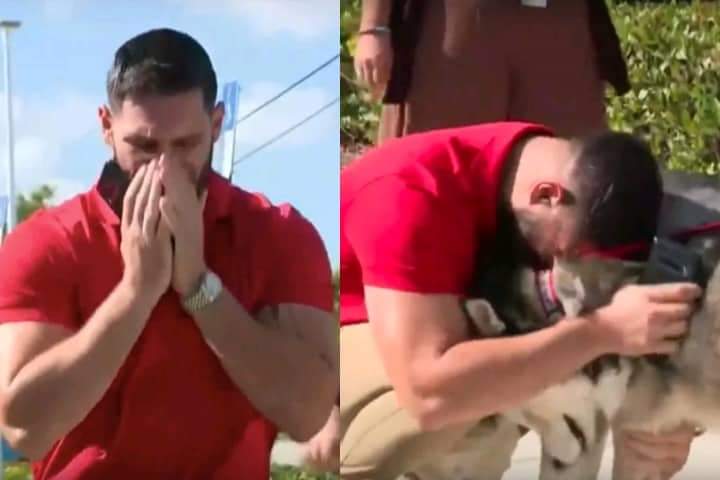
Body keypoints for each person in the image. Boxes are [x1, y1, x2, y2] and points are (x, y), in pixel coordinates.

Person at [0, 28, 338, 480]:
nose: (163, 168)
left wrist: (200, 288)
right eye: (143, 147)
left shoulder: (277, 235)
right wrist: (136, 292)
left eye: (185, 145)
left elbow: (310, 412)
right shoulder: (50, 241)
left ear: (216, 126)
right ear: (106, 127)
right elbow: (24, 428)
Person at [338, 122, 700, 479]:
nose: (560, 275)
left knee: (539, 349)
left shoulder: (562, 176)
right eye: (562, 256)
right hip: (341, 359)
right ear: (547, 195)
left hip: (440, 336)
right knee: (488, 372)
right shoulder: (405, 196)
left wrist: (671, 420)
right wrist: (603, 331)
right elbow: (428, 394)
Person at [354, 0, 630, 143]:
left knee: (569, 165)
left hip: (558, 25)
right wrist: (374, 26)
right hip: (455, 29)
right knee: (437, 160)